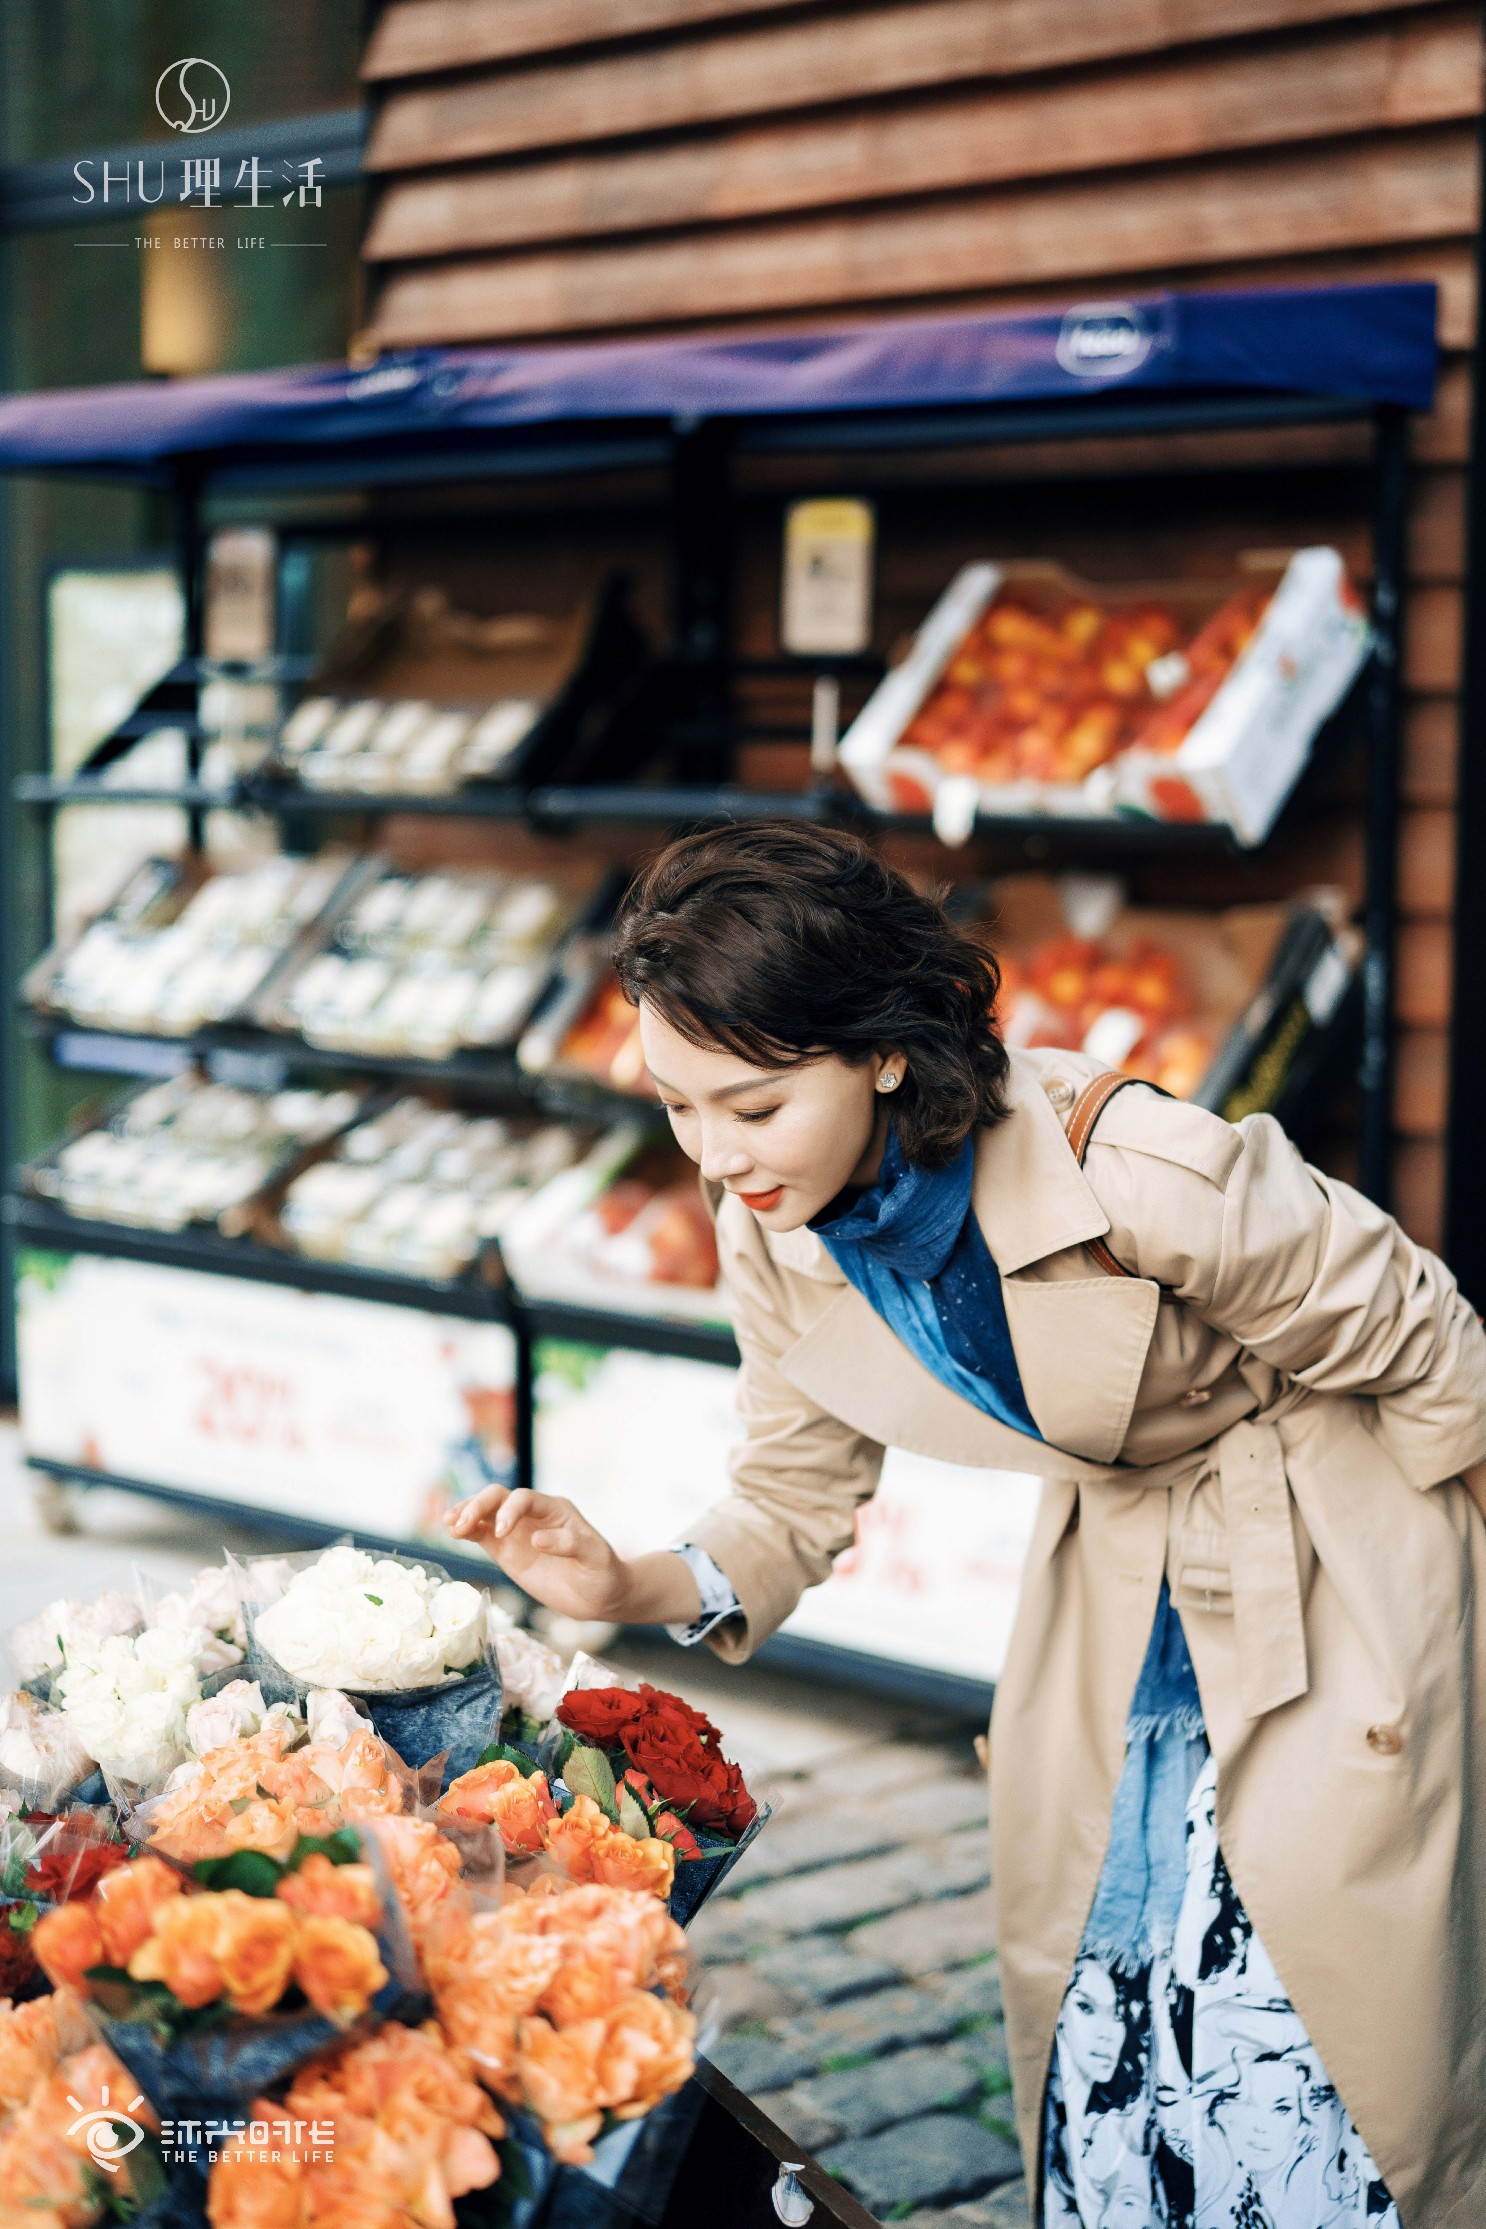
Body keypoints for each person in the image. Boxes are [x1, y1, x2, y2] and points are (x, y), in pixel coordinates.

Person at [451, 821, 1486, 2229]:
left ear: (881, 1050)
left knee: (1310, 2012)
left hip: (1332, 1547)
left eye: (751, 1105)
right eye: (678, 1106)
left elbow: (1430, 1343)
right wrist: (626, 1574)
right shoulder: (775, 1222)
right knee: (1099, 1995)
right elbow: (790, 1489)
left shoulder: (1129, 1163)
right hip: (1114, 1588)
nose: (714, 1155)